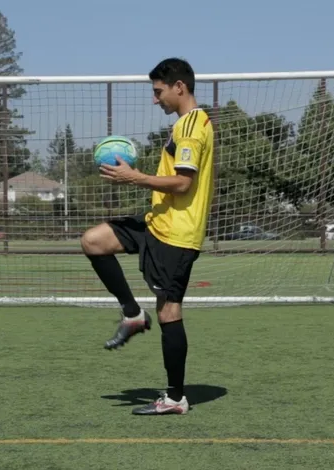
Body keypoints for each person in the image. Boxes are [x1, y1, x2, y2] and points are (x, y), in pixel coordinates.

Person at [80, 57, 214, 415]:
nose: (156, 100)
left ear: (179, 87)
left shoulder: (192, 128)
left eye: (159, 92)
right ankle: (132, 314)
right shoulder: (185, 124)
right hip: (158, 222)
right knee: (93, 241)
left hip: (177, 235)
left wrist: (134, 177)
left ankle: (174, 399)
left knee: (170, 312)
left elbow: (183, 183)